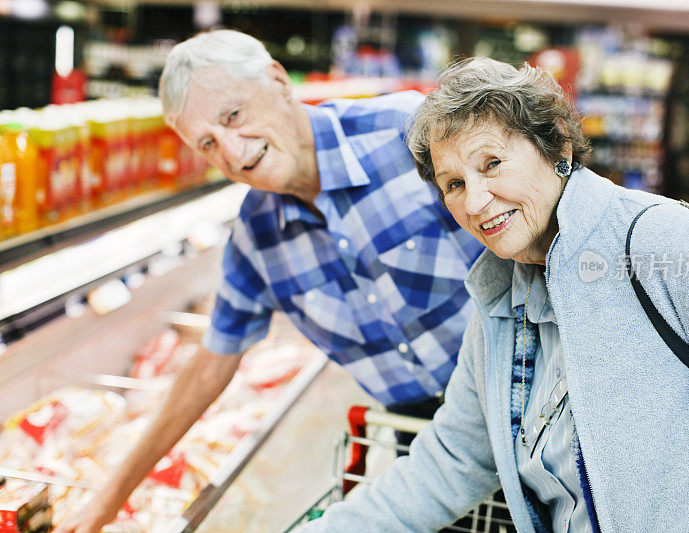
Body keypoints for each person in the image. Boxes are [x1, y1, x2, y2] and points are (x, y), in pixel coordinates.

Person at [297, 57, 689, 532]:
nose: (474, 201)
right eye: (452, 184)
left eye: (491, 163)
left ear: (556, 145)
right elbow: (453, 460)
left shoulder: (666, 246)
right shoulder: (500, 310)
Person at [55, 30, 484, 533]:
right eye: (208, 144)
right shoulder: (256, 238)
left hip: (525, 393)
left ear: (278, 81)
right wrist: (102, 507)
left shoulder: (408, 131)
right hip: (424, 442)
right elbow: (207, 371)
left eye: (234, 116)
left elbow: (541, 234)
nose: (233, 155)